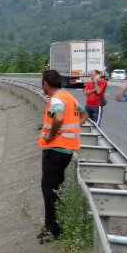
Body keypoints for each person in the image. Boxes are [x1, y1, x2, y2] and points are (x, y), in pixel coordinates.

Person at [39, 69, 88, 242]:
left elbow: (58, 117)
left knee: (51, 190)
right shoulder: (69, 97)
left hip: (56, 150)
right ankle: (50, 227)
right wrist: (73, 125)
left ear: (45, 84)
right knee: (51, 188)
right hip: (65, 150)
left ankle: (54, 230)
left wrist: (52, 134)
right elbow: (84, 114)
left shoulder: (57, 99)